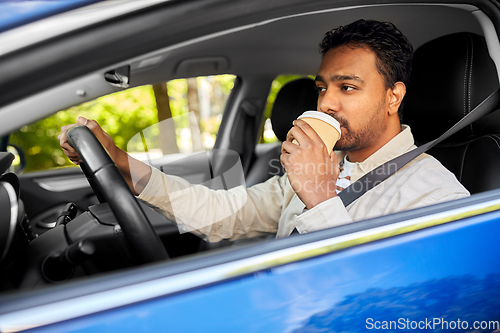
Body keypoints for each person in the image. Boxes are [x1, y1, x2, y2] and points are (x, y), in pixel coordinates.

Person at [59, 19, 469, 242]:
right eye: (322, 88)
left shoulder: (437, 195)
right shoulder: (314, 168)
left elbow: (390, 304)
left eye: (347, 87)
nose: (326, 102)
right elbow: (220, 214)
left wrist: (321, 199)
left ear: (393, 97)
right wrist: (121, 163)